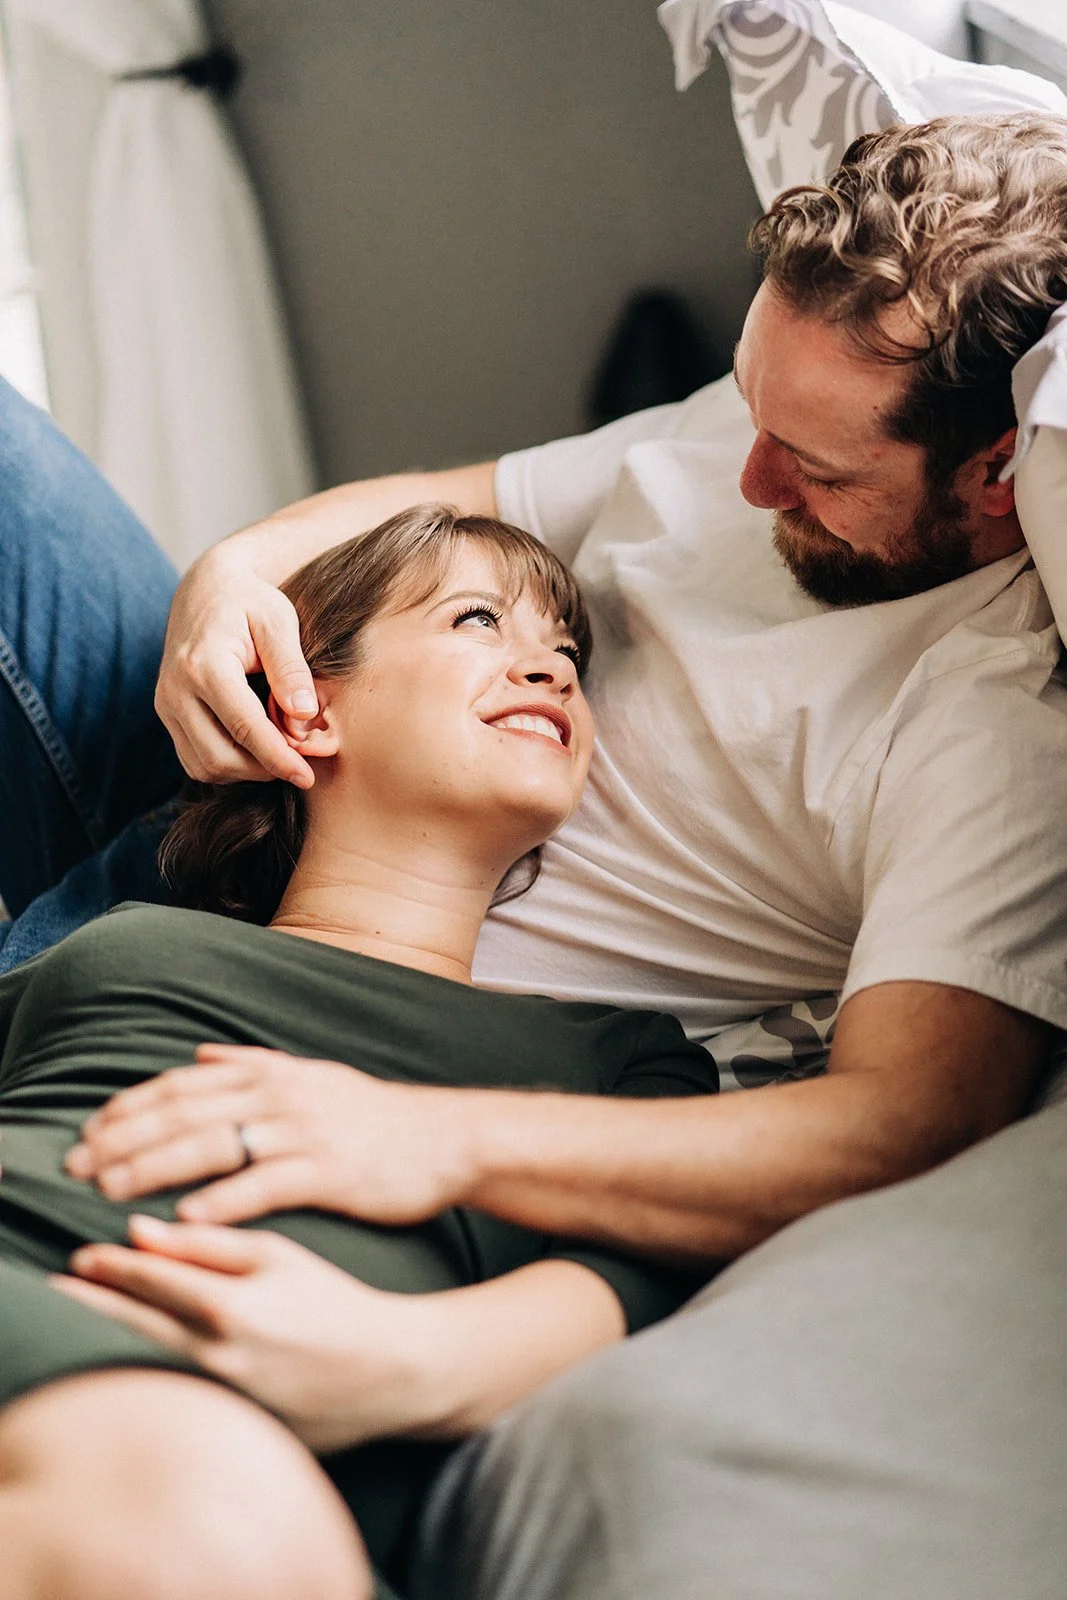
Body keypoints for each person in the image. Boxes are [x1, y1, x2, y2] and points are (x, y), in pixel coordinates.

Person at [0, 110, 1065, 1593]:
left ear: (995, 478)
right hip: (239, 837)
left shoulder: (982, 721)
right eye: (741, 413)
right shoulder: (763, 412)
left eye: (808, 469)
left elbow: (898, 1126)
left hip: (383, 1040)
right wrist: (235, 574)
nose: (743, 484)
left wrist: (423, 1157)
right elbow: (447, 518)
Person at [0, 503, 718, 1600]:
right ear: (307, 702)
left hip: (225, 1444)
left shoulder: (621, 1061)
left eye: (567, 651)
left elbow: (643, 1276)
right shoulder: (122, 940)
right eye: (479, 619)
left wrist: (394, 1354)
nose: (551, 668)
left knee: (207, 1527)